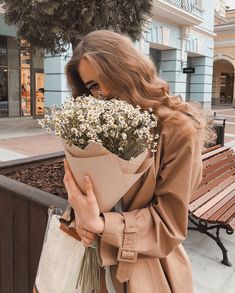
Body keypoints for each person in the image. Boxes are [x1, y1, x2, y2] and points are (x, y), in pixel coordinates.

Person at [63, 30, 212, 293]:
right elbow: (89, 194)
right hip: (93, 270)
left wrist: (101, 224)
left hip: (146, 272)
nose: (104, 92)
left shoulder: (176, 130)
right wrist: (81, 221)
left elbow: (168, 225)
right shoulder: (97, 125)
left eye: (108, 76)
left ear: (130, 67)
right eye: (93, 86)